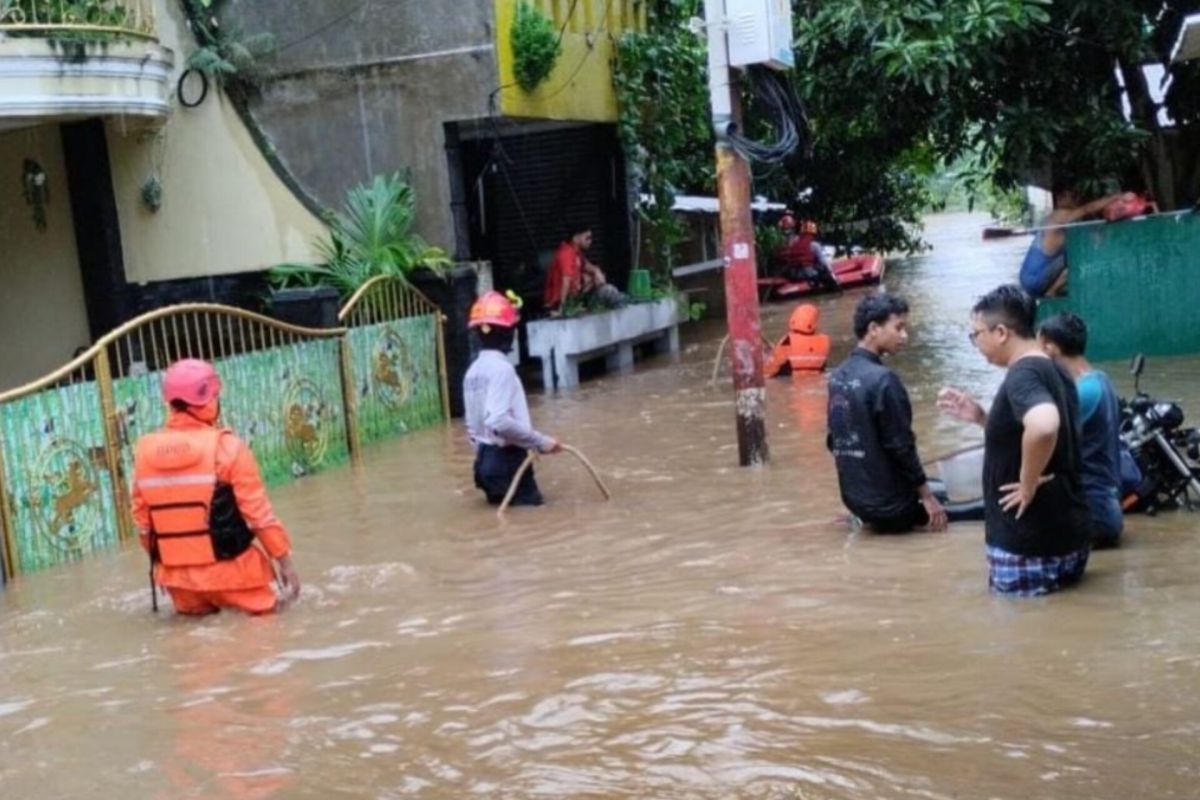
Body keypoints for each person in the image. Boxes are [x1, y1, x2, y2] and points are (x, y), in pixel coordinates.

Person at [938, 285, 1091, 596]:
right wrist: (984, 418)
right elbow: (1049, 436)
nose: (975, 343)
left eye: (976, 334)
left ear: (1002, 332)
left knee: (1019, 638)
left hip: (1026, 545)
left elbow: (1045, 426)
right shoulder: (1056, 370)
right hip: (1070, 536)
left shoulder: (1022, 374)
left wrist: (1027, 483)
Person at [132, 359, 301, 615]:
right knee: (266, 638)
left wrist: (163, 567)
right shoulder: (229, 449)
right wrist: (285, 563)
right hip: (235, 575)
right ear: (208, 400)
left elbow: (144, 526)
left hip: (180, 583)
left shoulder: (144, 454)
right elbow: (259, 516)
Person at [826, 293, 950, 533]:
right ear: (874, 328)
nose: (905, 336)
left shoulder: (838, 376)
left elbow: (834, 441)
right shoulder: (884, 381)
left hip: (856, 501)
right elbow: (901, 445)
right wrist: (927, 497)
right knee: (946, 498)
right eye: (899, 327)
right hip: (893, 508)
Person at [464, 290, 561, 505]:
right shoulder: (502, 370)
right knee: (535, 525)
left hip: (483, 465)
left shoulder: (472, 372)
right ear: (509, 333)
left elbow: (472, 429)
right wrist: (540, 442)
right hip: (507, 461)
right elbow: (497, 421)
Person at [1038, 312, 1124, 547]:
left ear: (1050, 347)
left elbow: (1039, 439)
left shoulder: (1081, 394)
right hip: (1105, 508)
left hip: (1093, 515)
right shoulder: (1100, 379)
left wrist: (982, 419)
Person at [1020, 185, 1122, 298]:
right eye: (1072, 196)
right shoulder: (1058, 216)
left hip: (1027, 280)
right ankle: (1052, 291)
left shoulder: (1060, 220)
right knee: (1077, 255)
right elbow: (1086, 209)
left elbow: (1090, 229)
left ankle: (1053, 290)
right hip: (1035, 279)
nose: (1076, 200)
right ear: (1060, 198)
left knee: (1078, 249)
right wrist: (1116, 197)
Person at [543, 226, 625, 314]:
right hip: (559, 304)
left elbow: (588, 266)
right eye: (587, 238)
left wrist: (596, 272)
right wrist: (562, 308)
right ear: (576, 238)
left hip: (574, 301)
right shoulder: (566, 253)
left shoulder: (576, 254)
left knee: (607, 292)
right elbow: (565, 281)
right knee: (608, 290)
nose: (590, 241)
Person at [764, 303, 831, 377]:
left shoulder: (787, 341)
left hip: (792, 382)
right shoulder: (824, 341)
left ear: (793, 319)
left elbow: (769, 371)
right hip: (815, 380)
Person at [777, 216, 840, 292]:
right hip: (807, 274)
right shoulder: (814, 245)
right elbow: (824, 263)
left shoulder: (795, 243)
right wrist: (832, 275)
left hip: (793, 274)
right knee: (826, 275)